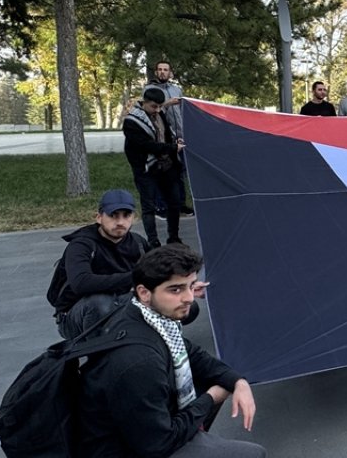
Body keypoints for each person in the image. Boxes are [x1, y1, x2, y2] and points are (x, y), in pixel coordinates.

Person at [77, 246, 264, 457]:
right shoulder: (140, 360)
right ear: (144, 292)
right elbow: (158, 445)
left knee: (213, 379)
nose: (189, 298)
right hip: (126, 449)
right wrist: (211, 398)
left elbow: (192, 353)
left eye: (190, 286)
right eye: (175, 290)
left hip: (141, 428)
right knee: (253, 454)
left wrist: (237, 381)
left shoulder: (146, 317)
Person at [52, 190, 146, 340]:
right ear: (99, 217)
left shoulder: (138, 242)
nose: (120, 222)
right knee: (100, 303)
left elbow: (159, 269)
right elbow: (81, 283)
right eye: (113, 215)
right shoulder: (82, 245)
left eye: (126, 215)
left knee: (174, 300)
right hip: (77, 316)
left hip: (121, 304)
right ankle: (98, 356)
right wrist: (135, 277)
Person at [124, 88, 184, 250]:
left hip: (166, 166)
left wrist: (174, 141)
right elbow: (145, 145)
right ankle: (153, 241)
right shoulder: (131, 121)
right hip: (146, 168)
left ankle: (174, 237)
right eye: (153, 107)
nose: (157, 110)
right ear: (144, 103)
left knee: (174, 202)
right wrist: (172, 148)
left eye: (159, 106)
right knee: (149, 206)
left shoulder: (160, 114)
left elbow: (166, 135)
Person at [145, 61, 195, 217]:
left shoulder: (176, 89)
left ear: (170, 73)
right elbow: (149, 110)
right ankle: (161, 207)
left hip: (178, 137)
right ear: (156, 72)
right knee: (163, 171)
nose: (162, 72)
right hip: (161, 137)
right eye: (159, 69)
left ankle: (180, 204)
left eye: (165, 70)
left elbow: (181, 112)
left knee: (179, 172)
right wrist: (166, 104)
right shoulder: (149, 89)